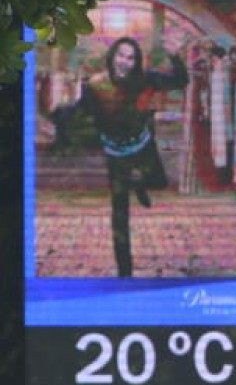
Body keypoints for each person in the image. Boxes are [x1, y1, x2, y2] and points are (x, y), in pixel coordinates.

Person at [47, 36, 190, 278]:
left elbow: (181, 81)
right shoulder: (95, 85)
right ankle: (125, 272)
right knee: (120, 214)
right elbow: (82, 111)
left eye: (130, 57)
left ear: (136, 62)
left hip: (144, 147)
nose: (125, 61)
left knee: (159, 182)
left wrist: (175, 57)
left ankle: (140, 184)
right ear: (113, 57)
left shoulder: (146, 79)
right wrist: (60, 115)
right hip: (116, 155)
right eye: (121, 55)